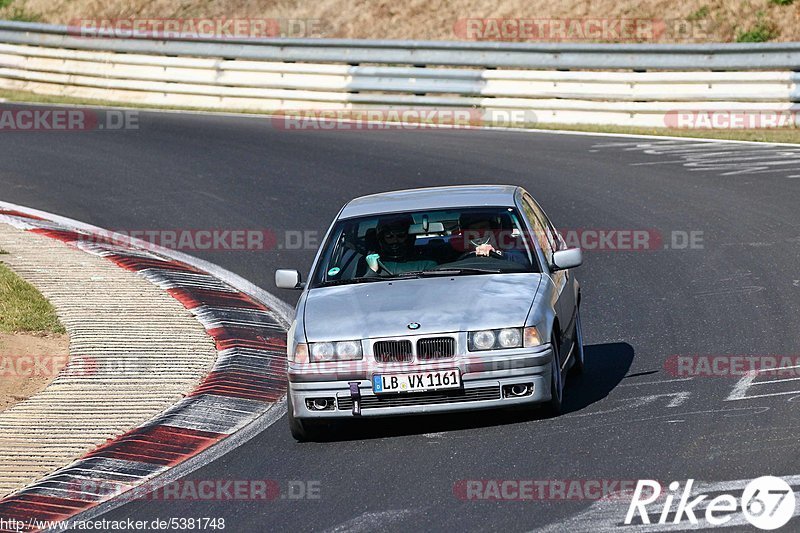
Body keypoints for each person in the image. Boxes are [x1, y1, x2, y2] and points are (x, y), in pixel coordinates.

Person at [366, 215, 436, 275]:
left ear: (409, 237)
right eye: (389, 236)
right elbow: (361, 287)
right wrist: (372, 271)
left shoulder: (426, 263)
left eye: (400, 236)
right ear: (382, 238)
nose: (395, 240)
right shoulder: (370, 262)